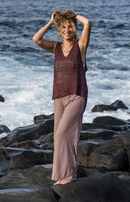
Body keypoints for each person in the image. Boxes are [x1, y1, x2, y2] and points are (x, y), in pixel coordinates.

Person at [32, 10, 91, 185]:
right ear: (59, 30)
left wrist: (74, 16)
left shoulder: (80, 46)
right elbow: (36, 39)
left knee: (61, 133)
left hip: (77, 95)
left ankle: (68, 176)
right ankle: (63, 174)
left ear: (74, 29)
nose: (67, 30)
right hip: (59, 96)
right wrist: (51, 22)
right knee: (64, 136)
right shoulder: (56, 47)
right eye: (64, 27)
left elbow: (87, 23)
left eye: (70, 27)